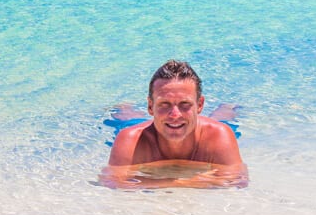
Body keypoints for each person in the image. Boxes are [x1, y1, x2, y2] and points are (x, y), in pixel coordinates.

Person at [100, 60, 248, 189]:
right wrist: (186, 182)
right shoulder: (131, 139)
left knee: (222, 120)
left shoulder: (218, 135)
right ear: (150, 106)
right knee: (128, 120)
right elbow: (111, 182)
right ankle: (124, 107)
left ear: (200, 105)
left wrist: (152, 181)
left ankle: (227, 107)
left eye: (185, 104)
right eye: (165, 104)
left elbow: (238, 181)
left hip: (201, 127)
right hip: (150, 128)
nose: (175, 114)